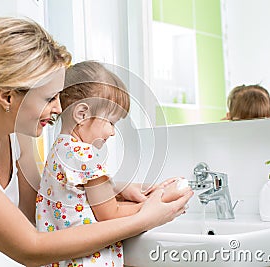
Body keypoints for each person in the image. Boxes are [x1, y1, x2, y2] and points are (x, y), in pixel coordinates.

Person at [0, 17, 193, 267]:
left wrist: (109, 189)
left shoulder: (17, 137)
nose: (58, 109)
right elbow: (31, 249)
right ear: (7, 97)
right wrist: (147, 218)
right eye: (49, 98)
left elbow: (43, 211)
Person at [36, 61, 192, 267]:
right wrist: (156, 203)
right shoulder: (85, 156)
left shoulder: (59, 149)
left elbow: (89, 206)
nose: (111, 132)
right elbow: (110, 214)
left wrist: (133, 195)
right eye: (111, 122)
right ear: (81, 114)